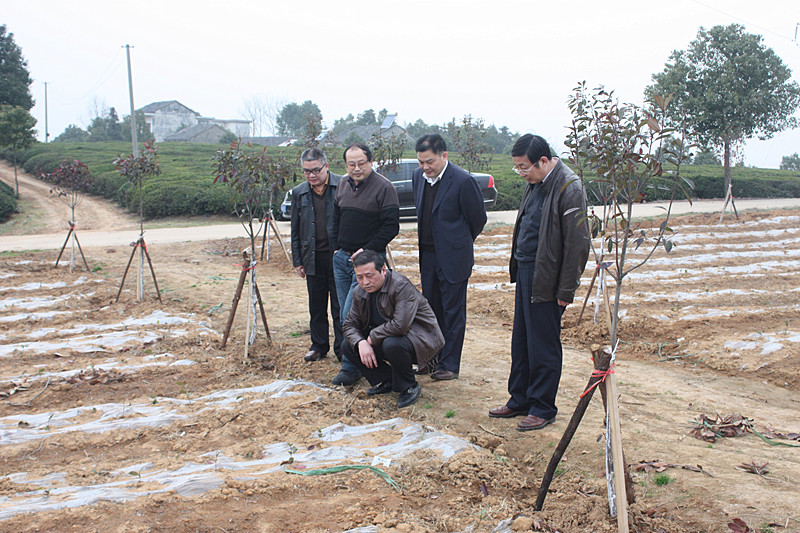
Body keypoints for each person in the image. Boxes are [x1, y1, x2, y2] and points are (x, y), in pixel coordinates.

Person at [489, 134, 590, 431]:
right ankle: (520, 398)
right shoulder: (535, 182)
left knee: (543, 344)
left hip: (547, 276)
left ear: (543, 161)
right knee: (522, 340)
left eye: (524, 167)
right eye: (517, 167)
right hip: (526, 270)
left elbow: (577, 244)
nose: (521, 173)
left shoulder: (569, 187)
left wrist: (566, 288)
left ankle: (543, 407)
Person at [412, 134, 487, 381]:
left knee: (453, 312)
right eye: (421, 162)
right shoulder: (418, 178)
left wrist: (458, 243)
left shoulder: (463, 181)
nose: (425, 167)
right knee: (430, 310)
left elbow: (478, 219)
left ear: (444, 156)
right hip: (428, 256)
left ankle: (450, 364)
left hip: (454, 258)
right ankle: (430, 359)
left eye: (430, 162)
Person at [331, 143, 400, 386]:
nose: (357, 168)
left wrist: (367, 250)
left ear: (371, 162)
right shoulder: (342, 184)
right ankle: (354, 360)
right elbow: (335, 218)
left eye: (361, 163)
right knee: (343, 312)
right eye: (351, 164)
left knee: (351, 314)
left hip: (366, 264)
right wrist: (336, 247)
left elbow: (391, 226)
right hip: (342, 260)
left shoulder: (384, 187)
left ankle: (350, 368)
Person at [342, 250, 444, 408]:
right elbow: (349, 324)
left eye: (369, 275)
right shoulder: (359, 292)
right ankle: (387, 380)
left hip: (420, 340)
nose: (365, 282)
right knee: (349, 345)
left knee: (392, 344)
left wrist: (371, 337)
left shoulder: (401, 285)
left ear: (383, 270)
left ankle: (408, 386)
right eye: (359, 277)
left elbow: (401, 325)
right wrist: (361, 342)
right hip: (387, 337)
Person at [290, 148, 343, 363]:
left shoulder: (342, 186)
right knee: (317, 306)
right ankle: (318, 346)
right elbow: (295, 229)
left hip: (338, 256)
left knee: (340, 306)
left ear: (326, 166)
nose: (311, 175)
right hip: (312, 257)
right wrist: (297, 260)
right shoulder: (299, 192)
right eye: (306, 171)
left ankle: (343, 348)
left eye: (316, 170)